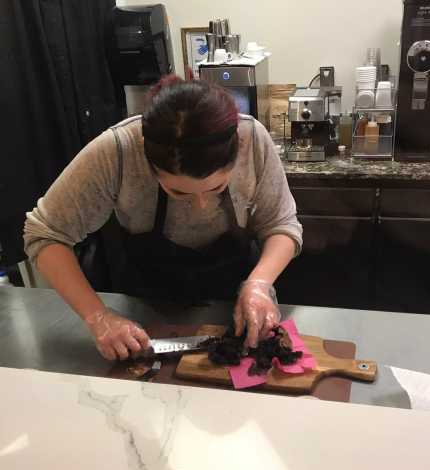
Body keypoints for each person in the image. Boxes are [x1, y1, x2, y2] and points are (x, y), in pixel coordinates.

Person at [24, 75, 302, 361]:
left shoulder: (252, 139)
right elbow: (44, 233)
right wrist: (98, 317)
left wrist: (258, 285)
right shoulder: (118, 151)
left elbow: (281, 224)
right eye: (178, 192)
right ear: (145, 153)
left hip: (239, 308)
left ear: (238, 148)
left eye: (217, 188)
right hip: (146, 312)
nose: (202, 206)